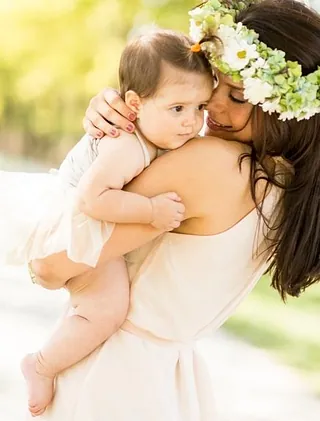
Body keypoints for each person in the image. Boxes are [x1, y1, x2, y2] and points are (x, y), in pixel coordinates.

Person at [28, 0, 320, 419]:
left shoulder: (212, 163)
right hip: (168, 382)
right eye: (212, 84)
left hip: (112, 380)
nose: (212, 107)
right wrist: (133, 113)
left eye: (238, 95)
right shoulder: (284, 182)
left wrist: (105, 144)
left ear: (287, 110)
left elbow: (53, 264)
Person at [0, 29, 213, 417]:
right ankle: (42, 364)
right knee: (108, 309)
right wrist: (150, 212)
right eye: (178, 109)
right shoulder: (127, 145)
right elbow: (92, 199)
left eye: (201, 107)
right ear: (135, 103)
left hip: (82, 223)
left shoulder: (155, 135)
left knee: (98, 305)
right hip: (70, 224)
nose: (192, 122)